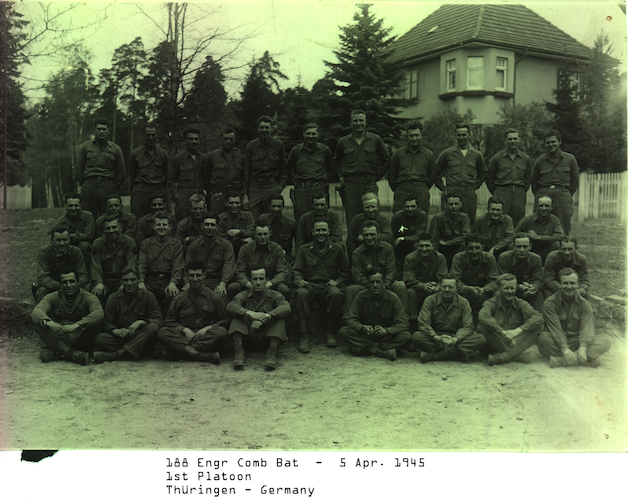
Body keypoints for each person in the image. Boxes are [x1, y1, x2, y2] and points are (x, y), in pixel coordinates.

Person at [293, 219, 351, 352]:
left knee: (336, 294)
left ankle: (330, 332)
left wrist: (338, 281)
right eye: (318, 230)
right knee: (301, 294)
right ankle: (304, 335)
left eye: (324, 230)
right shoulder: (304, 250)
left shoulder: (337, 249)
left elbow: (346, 272)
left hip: (327, 285)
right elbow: (296, 270)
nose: (321, 233)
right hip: (310, 285)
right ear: (313, 232)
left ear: (329, 232)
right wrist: (299, 280)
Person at [156, 261, 229, 363]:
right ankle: (204, 356)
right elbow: (169, 321)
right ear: (186, 276)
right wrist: (184, 330)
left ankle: (178, 352)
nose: (195, 279)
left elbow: (225, 321)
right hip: (185, 337)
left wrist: (208, 329)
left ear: (204, 275)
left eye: (198, 275)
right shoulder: (179, 299)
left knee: (221, 332)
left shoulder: (214, 298)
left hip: (205, 338)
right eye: (191, 275)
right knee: (162, 332)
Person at [537, 268, 611, 368]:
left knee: (606, 339)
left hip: (578, 342)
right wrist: (565, 350)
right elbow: (555, 330)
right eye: (565, 283)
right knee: (543, 338)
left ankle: (560, 361)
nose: (569, 286)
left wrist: (583, 347)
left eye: (572, 283)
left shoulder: (585, 304)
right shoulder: (550, 303)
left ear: (577, 284)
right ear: (559, 284)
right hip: (558, 342)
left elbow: (587, 329)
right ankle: (585, 360)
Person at [31, 269, 103, 365]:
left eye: (72, 281)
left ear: (78, 282)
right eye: (64, 282)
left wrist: (77, 325)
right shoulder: (52, 297)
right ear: (60, 285)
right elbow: (36, 312)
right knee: (40, 324)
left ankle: (58, 352)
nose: (68, 285)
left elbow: (99, 313)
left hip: (79, 336)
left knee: (94, 326)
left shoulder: (88, 297)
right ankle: (72, 355)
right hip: (60, 334)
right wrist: (50, 323)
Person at [93, 266, 164, 363]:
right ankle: (141, 351)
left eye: (132, 280)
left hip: (140, 334)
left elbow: (159, 320)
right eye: (126, 280)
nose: (129, 283)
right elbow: (106, 321)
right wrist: (115, 331)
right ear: (121, 281)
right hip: (123, 337)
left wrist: (141, 322)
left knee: (153, 328)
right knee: (99, 339)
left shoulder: (148, 296)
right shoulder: (113, 298)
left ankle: (117, 355)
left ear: (138, 280)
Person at [226, 267, 292, 370]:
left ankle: (272, 352)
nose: (258, 282)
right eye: (254, 279)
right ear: (250, 280)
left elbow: (286, 308)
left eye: (261, 279)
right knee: (237, 315)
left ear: (267, 280)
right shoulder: (244, 295)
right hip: (247, 339)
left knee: (279, 318)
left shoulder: (274, 295)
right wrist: (249, 313)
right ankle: (239, 350)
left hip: (267, 338)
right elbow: (230, 306)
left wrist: (267, 316)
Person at [340, 267, 411, 361]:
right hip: (367, 336)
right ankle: (379, 351)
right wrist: (363, 327)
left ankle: (365, 348)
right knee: (344, 331)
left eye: (378, 282)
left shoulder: (393, 298)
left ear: (383, 282)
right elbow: (350, 319)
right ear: (368, 283)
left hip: (386, 337)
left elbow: (403, 323)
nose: (375, 285)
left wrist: (387, 330)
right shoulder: (361, 296)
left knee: (406, 336)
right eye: (372, 282)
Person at [334, 109, 390, 228]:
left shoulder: (375, 140)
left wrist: (377, 176)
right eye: (355, 121)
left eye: (361, 120)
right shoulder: (343, 142)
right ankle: (353, 245)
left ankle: (373, 243)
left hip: (369, 184)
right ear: (351, 122)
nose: (358, 123)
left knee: (372, 215)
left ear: (366, 122)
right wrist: (341, 177)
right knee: (352, 219)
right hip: (351, 186)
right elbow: (337, 161)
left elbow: (385, 159)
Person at [412, 273, 485, 363]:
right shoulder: (430, 300)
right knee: (416, 337)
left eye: (450, 287)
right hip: (436, 337)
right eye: (444, 286)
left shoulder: (463, 303)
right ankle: (458, 355)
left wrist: (456, 339)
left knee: (480, 338)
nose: (447, 290)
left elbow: (468, 326)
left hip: (455, 338)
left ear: (456, 288)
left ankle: (433, 357)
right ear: (440, 287)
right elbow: (423, 322)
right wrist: (435, 337)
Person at [478, 273, 544, 366]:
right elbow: (483, 316)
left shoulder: (519, 302)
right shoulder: (491, 302)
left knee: (538, 326)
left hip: (514, 341)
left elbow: (538, 317)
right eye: (506, 288)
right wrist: (502, 332)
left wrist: (518, 330)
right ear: (498, 288)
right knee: (482, 326)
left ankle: (501, 357)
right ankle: (516, 355)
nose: (510, 291)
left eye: (512, 288)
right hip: (495, 342)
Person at [345, 220, 407, 315]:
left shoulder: (387, 248)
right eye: (366, 235)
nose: (369, 238)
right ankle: (349, 320)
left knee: (401, 288)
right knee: (351, 290)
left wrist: (384, 285)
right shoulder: (357, 253)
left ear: (378, 234)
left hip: (386, 284)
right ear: (362, 236)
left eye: (372, 234)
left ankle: (403, 320)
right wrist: (372, 286)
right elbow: (359, 276)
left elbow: (391, 271)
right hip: (366, 286)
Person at [435, 123, 487, 222]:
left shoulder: (477, 155)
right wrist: (443, 188)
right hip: (451, 191)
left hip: (468, 193)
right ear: (455, 136)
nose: (461, 137)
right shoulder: (447, 153)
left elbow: (483, 173)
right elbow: (435, 171)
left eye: (464, 134)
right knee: (447, 220)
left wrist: (474, 186)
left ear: (469, 135)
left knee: (469, 220)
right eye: (459, 135)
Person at [75, 118, 126, 218]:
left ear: (108, 131)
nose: (101, 132)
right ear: (94, 130)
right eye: (99, 129)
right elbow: (78, 171)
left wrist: (112, 186)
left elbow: (121, 173)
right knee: (88, 216)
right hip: (89, 186)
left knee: (108, 216)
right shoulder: (85, 147)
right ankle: (89, 233)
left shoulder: (115, 149)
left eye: (104, 129)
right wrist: (86, 185)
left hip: (108, 185)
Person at [531, 129, 580, 234]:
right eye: (547, 142)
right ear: (544, 144)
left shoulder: (570, 159)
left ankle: (564, 248)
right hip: (543, 194)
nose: (551, 144)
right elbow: (534, 182)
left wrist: (565, 194)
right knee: (540, 224)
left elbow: (575, 181)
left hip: (563, 196)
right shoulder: (539, 161)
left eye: (553, 141)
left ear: (559, 142)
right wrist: (542, 194)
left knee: (563, 225)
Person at [228, 221, 290, 300]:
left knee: (283, 289)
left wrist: (269, 284)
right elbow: (239, 271)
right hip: (250, 284)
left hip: (270, 285)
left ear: (270, 233)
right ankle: (236, 310)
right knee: (233, 287)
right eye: (259, 234)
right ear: (254, 234)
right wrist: (248, 284)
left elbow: (283, 273)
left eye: (265, 234)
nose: (263, 237)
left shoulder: (277, 249)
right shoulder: (245, 249)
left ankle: (281, 310)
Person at [138, 211, 185, 312]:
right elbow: (141, 264)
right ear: (153, 227)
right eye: (158, 224)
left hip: (167, 280)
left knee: (173, 295)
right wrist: (141, 281)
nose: (161, 227)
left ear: (169, 227)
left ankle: (169, 322)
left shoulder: (176, 244)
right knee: (140, 295)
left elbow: (178, 266)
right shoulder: (146, 243)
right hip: (150, 280)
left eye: (164, 224)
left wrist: (173, 283)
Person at [286, 123, 333, 223]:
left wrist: (324, 180)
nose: (310, 136)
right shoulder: (296, 150)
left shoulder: (325, 150)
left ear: (317, 134)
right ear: (303, 134)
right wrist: (294, 179)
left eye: (313, 134)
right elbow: (288, 168)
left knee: (321, 219)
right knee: (301, 220)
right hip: (302, 190)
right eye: (308, 134)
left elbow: (330, 168)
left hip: (319, 189)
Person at [387, 119, 436, 214]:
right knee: (400, 219)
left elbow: (432, 176)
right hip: (402, 189)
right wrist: (400, 188)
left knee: (421, 217)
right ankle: (402, 230)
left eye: (416, 135)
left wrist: (422, 187)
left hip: (421, 188)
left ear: (421, 135)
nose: (414, 138)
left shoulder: (428, 155)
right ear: (407, 136)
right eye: (411, 136)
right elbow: (392, 175)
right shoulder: (398, 154)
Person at [244, 115, 287, 221]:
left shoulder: (278, 145)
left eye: (267, 127)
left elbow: (284, 170)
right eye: (262, 127)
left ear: (271, 128)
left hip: (271, 186)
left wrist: (279, 188)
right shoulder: (251, 146)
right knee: (252, 217)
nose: (264, 130)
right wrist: (245, 194)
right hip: (255, 187)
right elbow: (246, 171)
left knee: (271, 217)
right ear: (258, 129)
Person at [185, 212, 236, 301]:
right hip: (198, 280)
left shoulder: (226, 245)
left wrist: (223, 284)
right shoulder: (194, 246)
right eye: (207, 225)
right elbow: (187, 266)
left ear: (217, 227)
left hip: (218, 281)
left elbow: (229, 265)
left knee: (222, 296)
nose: (209, 228)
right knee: (186, 297)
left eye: (212, 225)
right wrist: (188, 283)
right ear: (201, 226)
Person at [486, 128, 532, 226]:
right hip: (501, 192)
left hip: (519, 194)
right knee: (499, 218)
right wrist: (497, 192)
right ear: (505, 141)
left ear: (519, 140)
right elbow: (490, 178)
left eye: (515, 139)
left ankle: (516, 241)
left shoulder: (525, 158)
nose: (512, 141)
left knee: (518, 220)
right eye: (510, 139)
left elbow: (528, 178)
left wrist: (521, 190)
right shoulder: (496, 158)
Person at [450, 233, 499, 320]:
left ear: (483, 247)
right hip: (464, 292)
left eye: (477, 248)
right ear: (466, 248)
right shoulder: (458, 258)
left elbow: (494, 281)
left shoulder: (489, 258)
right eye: (471, 248)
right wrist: (470, 289)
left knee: (497, 293)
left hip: (483, 293)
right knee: (450, 291)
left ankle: (491, 320)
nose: (474, 251)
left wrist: (484, 289)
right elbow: (455, 281)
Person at [35, 224, 88, 302]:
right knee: (42, 291)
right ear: (51, 240)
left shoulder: (76, 252)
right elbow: (42, 277)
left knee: (87, 288)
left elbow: (83, 275)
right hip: (52, 287)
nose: (62, 243)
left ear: (69, 239)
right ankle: (42, 313)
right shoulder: (44, 252)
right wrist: (61, 286)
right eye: (58, 240)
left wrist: (72, 286)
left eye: (65, 239)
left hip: (72, 287)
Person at [91, 215, 138, 304]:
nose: (111, 231)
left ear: (120, 228)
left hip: (122, 279)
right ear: (103, 230)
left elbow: (131, 265)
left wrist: (124, 283)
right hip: (105, 280)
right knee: (95, 293)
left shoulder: (129, 242)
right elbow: (95, 266)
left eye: (114, 227)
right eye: (108, 228)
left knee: (129, 292)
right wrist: (99, 282)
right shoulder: (98, 244)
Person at [403, 232, 448, 320]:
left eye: (427, 245)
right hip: (418, 290)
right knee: (410, 292)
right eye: (421, 246)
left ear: (433, 246)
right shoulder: (409, 258)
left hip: (434, 290)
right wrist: (423, 286)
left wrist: (436, 287)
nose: (424, 249)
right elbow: (408, 280)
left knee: (443, 291)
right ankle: (413, 320)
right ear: (417, 246)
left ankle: (438, 319)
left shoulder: (440, 258)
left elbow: (443, 279)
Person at [129, 122, 169, 219]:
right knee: (138, 218)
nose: (150, 138)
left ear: (157, 135)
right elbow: (132, 175)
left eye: (153, 135)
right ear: (143, 135)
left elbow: (167, 175)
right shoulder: (135, 154)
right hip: (140, 191)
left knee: (160, 219)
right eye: (148, 135)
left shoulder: (163, 154)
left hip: (158, 189)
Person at [204, 127, 246, 215]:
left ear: (234, 140)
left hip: (235, 195)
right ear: (220, 139)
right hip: (217, 195)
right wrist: (210, 192)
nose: (228, 141)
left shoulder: (241, 158)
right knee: (216, 219)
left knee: (234, 220)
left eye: (230, 139)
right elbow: (206, 176)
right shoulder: (212, 156)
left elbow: (244, 178)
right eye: (225, 139)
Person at [497, 233, 544, 312]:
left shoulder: (536, 259)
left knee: (539, 295)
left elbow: (538, 279)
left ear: (530, 246)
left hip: (528, 291)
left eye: (525, 246)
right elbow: (502, 281)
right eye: (518, 247)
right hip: (510, 290)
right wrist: (519, 287)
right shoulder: (504, 258)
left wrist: (533, 287)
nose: (522, 250)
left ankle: (538, 319)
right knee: (498, 293)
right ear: (513, 247)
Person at [169, 127, 207, 222]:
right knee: (183, 222)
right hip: (183, 197)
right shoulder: (178, 159)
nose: (194, 141)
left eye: (196, 139)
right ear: (185, 140)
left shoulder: (204, 158)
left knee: (201, 223)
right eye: (190, 139)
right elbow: (171, 181)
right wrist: (177, 197)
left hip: (200, 195)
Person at [514, 195, 564, 264]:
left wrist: (538, 237)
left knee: (556, 245)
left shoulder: (554, 220)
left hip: (546, 251)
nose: (544, 208)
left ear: (552, 207)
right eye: (541, 205)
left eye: (547, 206)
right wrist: (526, 236)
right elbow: (514, 235)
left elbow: (560, 236)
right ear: (536, 206)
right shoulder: (527, 220)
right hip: (529, 251)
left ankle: (551, 266)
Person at [53, 192, 95, 272]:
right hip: (67, 247)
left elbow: (88, 236)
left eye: (76, 205)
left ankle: (88, 272)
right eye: (70, 206)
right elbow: (54, 240)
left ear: (81, 206)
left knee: (83, 245)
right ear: (65, 206)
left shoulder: (88, 217)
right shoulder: (60, 222)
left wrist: (69, 236)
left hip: (85, 249)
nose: (73, 208)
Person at [390, 193, 428, 280]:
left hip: (414, 248)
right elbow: (392, 235)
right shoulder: (397, 216)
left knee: (417, 245)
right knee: (397, 277)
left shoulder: (422, 216)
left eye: (413, 206)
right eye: (407, 206)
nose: (410, 209)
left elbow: (419, 236)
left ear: (418, 206)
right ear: (403, 206)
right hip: (400, 249)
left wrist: (402, 238)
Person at [346, 192, 393, 260]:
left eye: (373, 206)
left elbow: (389, 238)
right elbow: (350, 243)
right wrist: (353, 260)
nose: (370, 210)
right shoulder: (356, 220)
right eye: (367, 207)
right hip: (361, 257)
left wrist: (368, 236)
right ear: (363, 208)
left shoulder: (384, 221)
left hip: (380, 257)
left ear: (378, 206)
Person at [428, 192, 470, 268]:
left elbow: (466, 236)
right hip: (441, 249)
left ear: (461, 204)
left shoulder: (464, 218)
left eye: (456, 204)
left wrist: (448, 243)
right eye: (451, 204)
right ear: (445, 205)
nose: (453, 206)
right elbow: (433, 238)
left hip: (456, 248)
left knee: (465, 245)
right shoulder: (438, 218)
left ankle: (460, 269)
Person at [259, 194, 298, 263]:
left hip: (285, 258)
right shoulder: (263, 219)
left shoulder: (291, 224)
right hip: (265, 256)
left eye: (279, 206)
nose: (276, 209)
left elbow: (298, 244)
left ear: (283, 207)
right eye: (273, 206)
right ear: (269, 207)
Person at [217, 191, 255, 259]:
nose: (234, 206)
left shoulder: (248, 216)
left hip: (243, 249)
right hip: (225, 249)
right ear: (226, 204)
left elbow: (251, 232)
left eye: (237, 203)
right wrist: (240, 239)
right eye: (231, 203)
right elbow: (219, 237)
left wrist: (239, 231)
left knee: (251, 243)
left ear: (240, 204)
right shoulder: (220, 218)